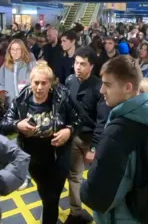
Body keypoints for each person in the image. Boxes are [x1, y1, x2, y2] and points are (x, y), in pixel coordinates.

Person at [80, 56, 148, 224]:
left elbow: (100, 197)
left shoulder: (119, 132)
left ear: (128, 87)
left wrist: (83, 188)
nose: (102, 90)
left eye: (108, 85)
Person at [0, 61, 79, 224]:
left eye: (44, 83)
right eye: (36, 83)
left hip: (58, 158)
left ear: (50, 84)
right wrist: (17, 124)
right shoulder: (22, 98)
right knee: (45, 194)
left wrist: (69, 130)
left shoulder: (61, 97)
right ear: (31, 82)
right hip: (34, 160)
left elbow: (78, 120)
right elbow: (3, 125)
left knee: (52, 198)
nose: (40, 87)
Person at [64, 47, 109, 224]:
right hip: (75, 135)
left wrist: (94, 147)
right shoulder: (69, 81)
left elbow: (102, 120)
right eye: (76, 63)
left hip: (93, 138)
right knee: (75, 175)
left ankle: (102, 209)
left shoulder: (99, 87)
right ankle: (76, 212)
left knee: (99, 175)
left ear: (91, 66)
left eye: (83, 64)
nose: (78, 67)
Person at [0, 39, 36, 105]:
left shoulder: (31, 64)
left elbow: (37, 81)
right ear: (9, 51)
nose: (15, 52)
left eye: (18, 49)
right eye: (12, 49)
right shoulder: (5, 66)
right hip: (10, 105)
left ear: (23, 50)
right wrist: (2, 94)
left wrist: (27, 83)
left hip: (28, 104)